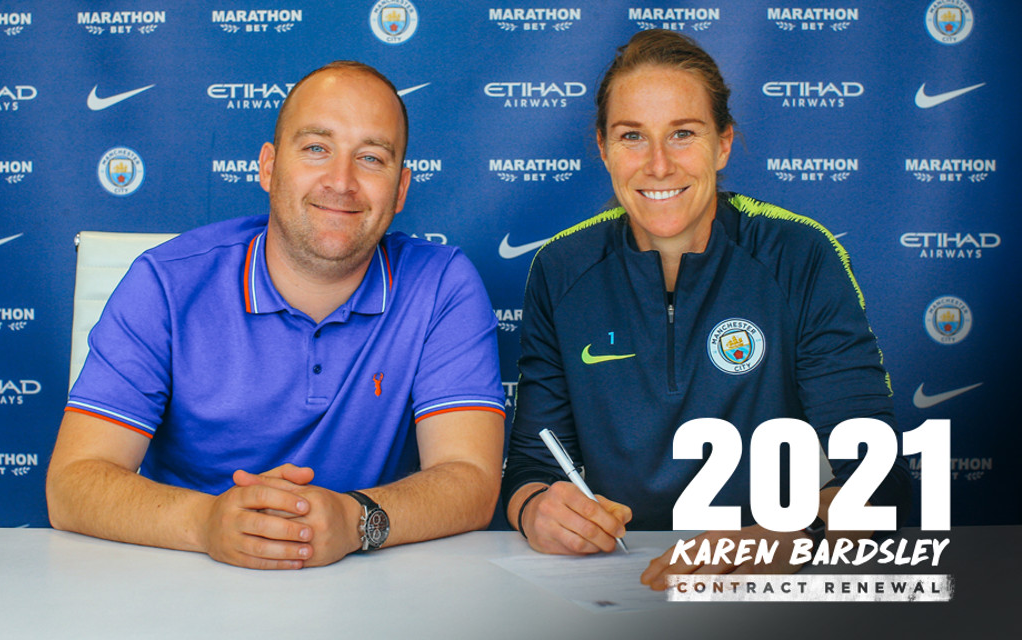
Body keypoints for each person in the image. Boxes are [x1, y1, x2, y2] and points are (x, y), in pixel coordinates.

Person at [47, 61, 506, 570]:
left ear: (400, 189)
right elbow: (73, 482)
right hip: (183, 577)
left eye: (372, 158)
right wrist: (208, 522)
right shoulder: (165, 282)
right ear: (268, 167)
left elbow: (470, 477)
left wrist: (355, 520)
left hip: (367, 585)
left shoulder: (442, 284)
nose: (341, 181)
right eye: (316, 148)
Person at [500, 30, 912, 587]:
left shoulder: (800, 255)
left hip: (770, 582)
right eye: (632, 136)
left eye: (683, 134)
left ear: (723, 143)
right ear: (603, 148)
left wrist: (793, 538)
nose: (659, 165)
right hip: (610, 578)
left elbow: (878, 475)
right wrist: (535, 511)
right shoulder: (561, 268)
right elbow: (532, 467)